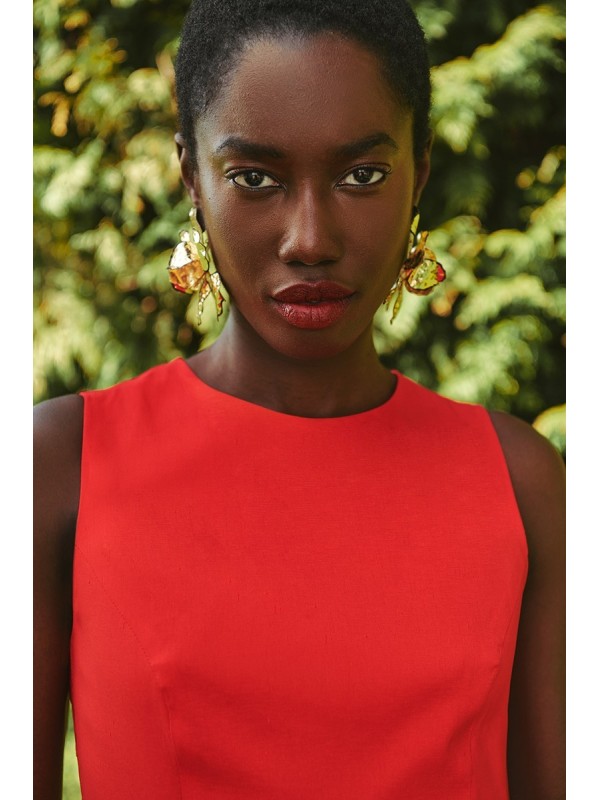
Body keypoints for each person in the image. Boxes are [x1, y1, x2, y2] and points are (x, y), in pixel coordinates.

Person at [34, 1, 565, 798]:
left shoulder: (520, 481)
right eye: (255, 178)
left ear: (419, 171)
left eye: (362, 175)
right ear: (193, 178)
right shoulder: (60, 468)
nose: (309, 237)